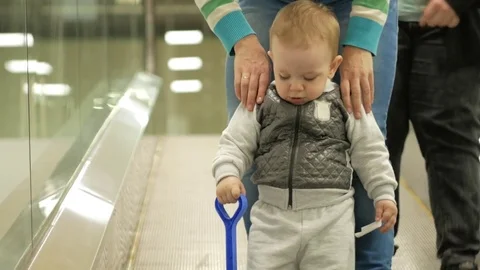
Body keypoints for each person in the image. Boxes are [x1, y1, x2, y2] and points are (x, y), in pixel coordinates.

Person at [194, 0, 399, 267]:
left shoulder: (341, 107)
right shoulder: (263, 104)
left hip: (331, 224)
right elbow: (236, 141)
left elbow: (370, 150)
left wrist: (384, 193)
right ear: (272, 59)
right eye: (283, 75)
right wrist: (226, 174)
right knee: (250, 101)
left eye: (309, 77)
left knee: (364, 114)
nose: (295, 88)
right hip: (272, 222)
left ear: (332, 67)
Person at [386, 0, 480, 268]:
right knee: (373, 140)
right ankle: (374, 251)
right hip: (373, 20)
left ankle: (460, 258)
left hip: (454, 23)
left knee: (452, 144)